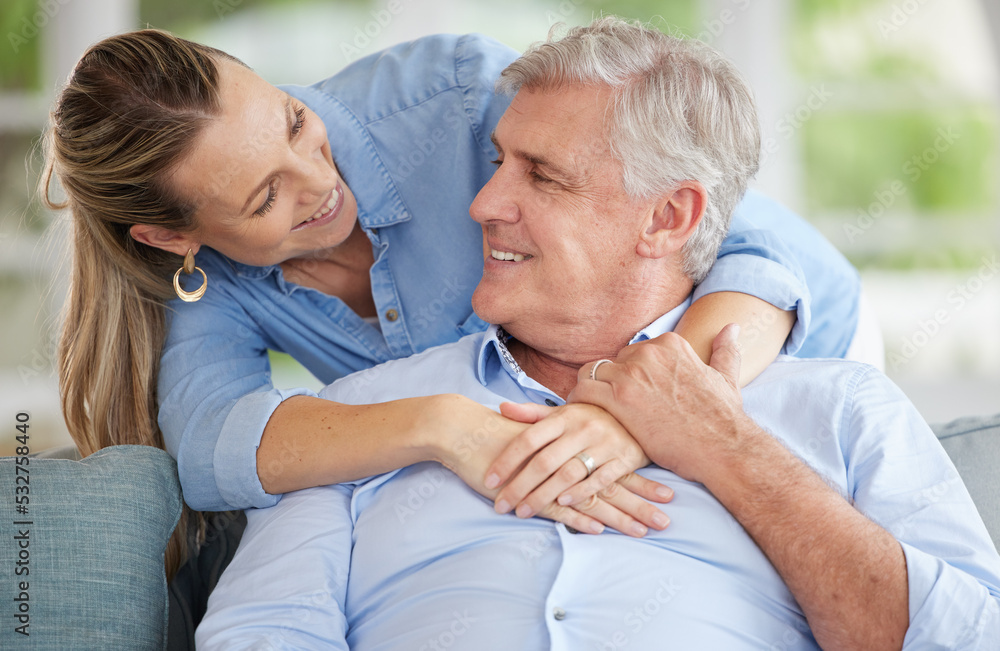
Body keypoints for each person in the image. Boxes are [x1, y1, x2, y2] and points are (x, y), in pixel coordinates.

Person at [197, 17, 1000, 651]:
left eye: (542, 175)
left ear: (668, 216)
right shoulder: (358, 421)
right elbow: (261, 631)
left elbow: (959, 637)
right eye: (497, 162)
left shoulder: (842, 410)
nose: (481, 204)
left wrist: (725, 446)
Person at [44, 24, 863, 575]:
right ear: (171, 237)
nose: (322, 185)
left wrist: (634, 413)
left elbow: (786, 262)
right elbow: (214, 445)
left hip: (746, 376)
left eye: (294, 122)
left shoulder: (457, 98)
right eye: (264, 199)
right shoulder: (206, 277)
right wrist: (443, 425)